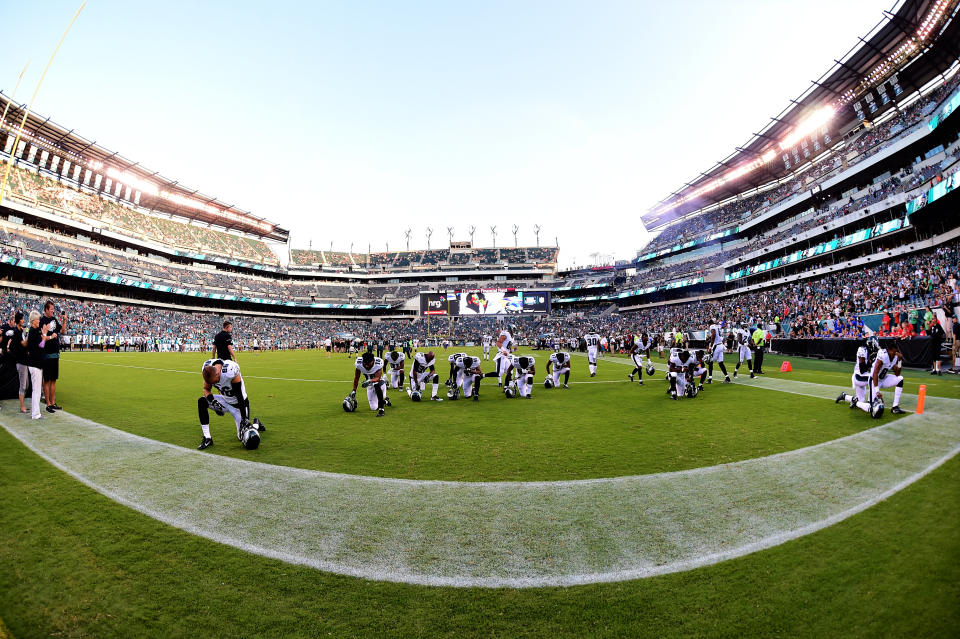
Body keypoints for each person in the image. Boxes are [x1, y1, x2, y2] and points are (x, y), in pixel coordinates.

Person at [197, 357, 262, 450]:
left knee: (244, 438)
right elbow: (206, 389)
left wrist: (244, 419)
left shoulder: (230, 371)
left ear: (217, 373)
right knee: (202, 401)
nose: (214, 384)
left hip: (239, 406)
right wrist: (213, 401)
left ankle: (256, 424)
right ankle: (207, 437)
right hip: (225, 401)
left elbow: (239, 396)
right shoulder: (208, 369)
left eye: (214, 382)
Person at [39, 300, 64, 413]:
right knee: (47, 380)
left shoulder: (54, 319)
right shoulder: (42, 321)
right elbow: (42, 338)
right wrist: (51, 336)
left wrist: (64, 320)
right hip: (47, 354)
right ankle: (48, 403)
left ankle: (53, 402)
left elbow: (62, 330)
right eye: (51, 309)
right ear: (46, 310)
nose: (53, 311)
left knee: (53, 380)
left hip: (55, 354)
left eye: (53, 309)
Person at [835, 343, 874, 413]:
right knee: (874, 378)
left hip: (864, 375)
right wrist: (869, 363)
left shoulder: (869, 351)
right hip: (859, 376)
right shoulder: (862, 350)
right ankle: (871, 401)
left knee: (861, 402)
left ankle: (845, 396)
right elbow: (862, 370)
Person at [351, 351, 391, 417]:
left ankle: (381, 409)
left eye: (368, 364)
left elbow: (377, 378)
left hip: (380, 383)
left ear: (373, 361)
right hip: (369, 386)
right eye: (365, 363)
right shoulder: (359, 364)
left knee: (376, 384)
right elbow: (356, 378)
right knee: (373, 407)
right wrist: (354, 390)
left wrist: (369, 381)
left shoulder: (378, 363)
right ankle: (386, 401)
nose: (366, 365)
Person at [872, 342, 906, 414]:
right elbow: (875, 373)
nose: (895, 355)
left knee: (900, 379)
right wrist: (877, 390)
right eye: (893, 352)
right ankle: (852, 400)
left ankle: (895, 407)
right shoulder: (883, 356)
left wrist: (899, 361)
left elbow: (897, 373)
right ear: (889, 350)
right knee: (870, 406)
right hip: (874, 380)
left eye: (896, 352)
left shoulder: (894, 357)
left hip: (883, 379)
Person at [24, 311, 45, 419]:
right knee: (36, 390)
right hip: (35, 364)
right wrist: (44, 336)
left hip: (35, 363)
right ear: (33, 321)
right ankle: (36, 414)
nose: (39, 321)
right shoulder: (33, 332)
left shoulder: (33, 331)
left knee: (36, 390)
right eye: (38, 319)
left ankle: (36, 413)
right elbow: (41, 345)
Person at [11, 312, 30, 414]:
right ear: (19, 320)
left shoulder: (20, 331)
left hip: (24, 360)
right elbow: (23, 344)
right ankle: (22, 407)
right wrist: (28, 336)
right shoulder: (17, 332)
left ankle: (23, 405)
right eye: (22, 319)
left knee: (26, 385)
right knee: (23, 385)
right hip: (21, 361)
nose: (24, 320)